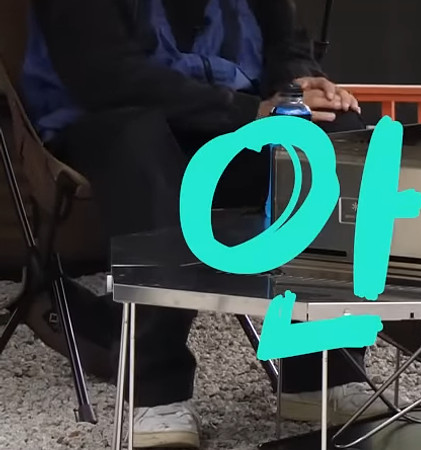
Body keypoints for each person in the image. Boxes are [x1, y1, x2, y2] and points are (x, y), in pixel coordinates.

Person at [21, 0, 387, 447]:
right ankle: (156, 390)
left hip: (236, 117)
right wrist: (249, 111)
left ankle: (322, 371)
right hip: (114, 116)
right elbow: (104, 74)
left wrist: (298, 83)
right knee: (140, 145)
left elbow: (286, 42)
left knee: (335, 134)